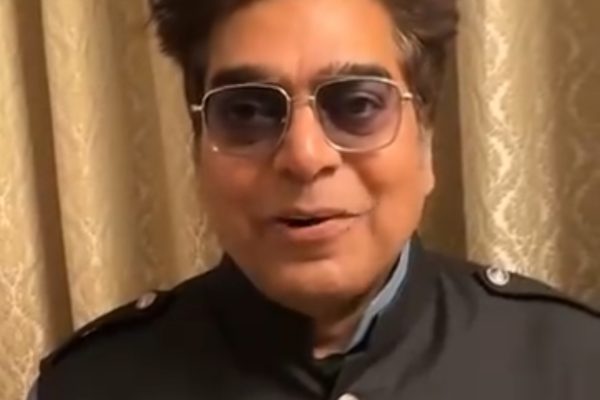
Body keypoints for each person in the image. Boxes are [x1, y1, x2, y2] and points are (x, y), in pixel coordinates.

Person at [31, 0, 600, 399]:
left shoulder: (573, 365)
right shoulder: (87, 386)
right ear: (197, 147)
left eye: (357, 105)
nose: (304, 157)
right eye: (248, 111)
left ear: (425, 141)